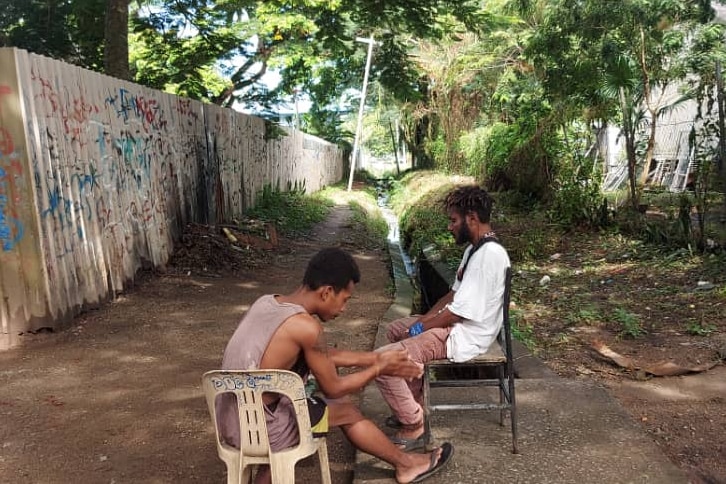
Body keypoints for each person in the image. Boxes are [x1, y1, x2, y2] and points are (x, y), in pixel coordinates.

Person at [216, 247, 454, 484]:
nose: (344, 308)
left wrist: (375, 358)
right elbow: (334, 388)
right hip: (263, 429)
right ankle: (406, 464)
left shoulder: (267, 303)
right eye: (345, 299)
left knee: (312, 407)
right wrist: (379, 368)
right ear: (327, 292)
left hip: (230, 421)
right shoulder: (307, 327)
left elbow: (323, 355)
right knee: (345, 411)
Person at [375, 185, 511, 450]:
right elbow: (451, 296)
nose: (450, 227)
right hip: (456, 325)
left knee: (385, 362)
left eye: (453, 220)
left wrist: (420, 328)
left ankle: (414, 426)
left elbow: (457, 312)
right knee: (395, 329)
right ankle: (414, 406)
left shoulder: (489, 256)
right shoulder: (474, 250)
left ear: (472, 218)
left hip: (464, 335)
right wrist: (421, 320)